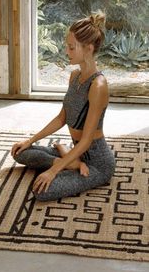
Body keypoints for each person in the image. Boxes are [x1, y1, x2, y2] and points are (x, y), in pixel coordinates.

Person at [11, 12, 115, 201]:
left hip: (96, 163)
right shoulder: (74, 76)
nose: (67, 51)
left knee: (42, 191)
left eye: (71, 47)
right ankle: (71, 161)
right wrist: (29, 141)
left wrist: (52, 171)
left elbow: (86, 141)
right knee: (20, 153)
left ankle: (67, 158)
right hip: (77, 152)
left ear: (89, 49)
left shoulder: (98, 86)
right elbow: (61, 118)